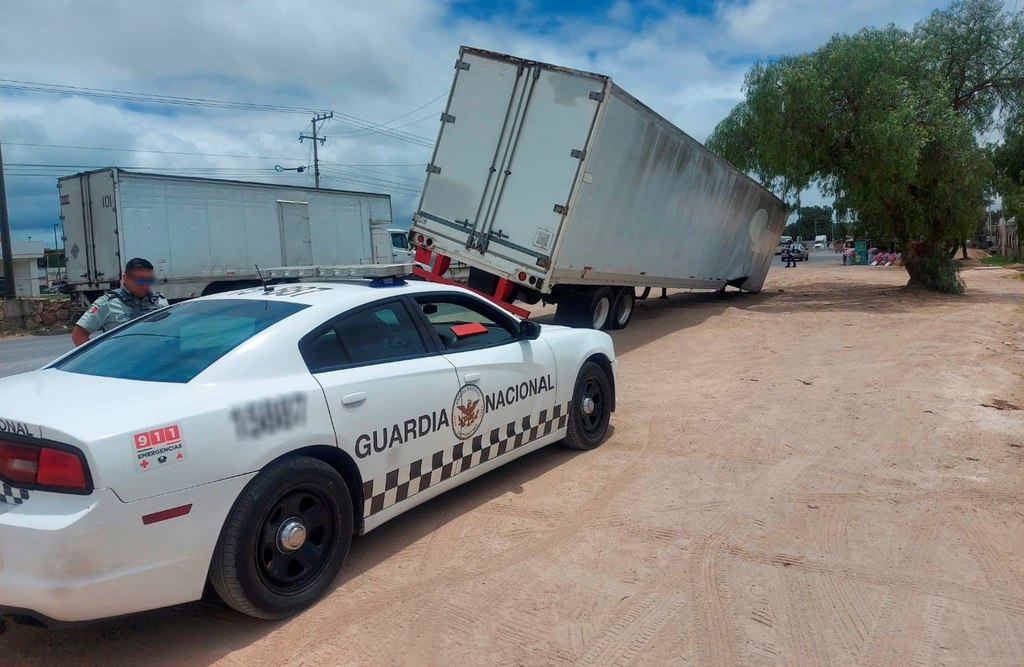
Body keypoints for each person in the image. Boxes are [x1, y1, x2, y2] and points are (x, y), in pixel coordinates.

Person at [71, 258, 168, 346]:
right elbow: (78, 334)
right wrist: (97, 361)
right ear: (125, 278)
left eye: (149, 280)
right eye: (140, 280)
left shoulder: (160, 301)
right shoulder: (107, 303)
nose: (145, 285)